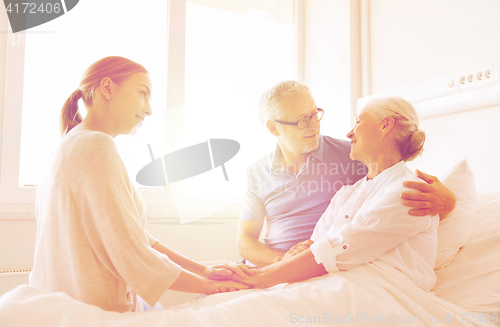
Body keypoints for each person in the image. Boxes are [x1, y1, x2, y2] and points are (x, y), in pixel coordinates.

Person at [29, 56, 252, 313]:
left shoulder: (69, 144)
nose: (149, 109)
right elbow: (128, 249)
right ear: (108, 88)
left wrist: (204, 270)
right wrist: (209, 285)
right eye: (142, 93)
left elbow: (131, 234)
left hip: (59, 304)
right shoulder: (95, 146)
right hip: (93, 310)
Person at [237, 81, 456, 267]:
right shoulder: (256, 172)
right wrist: (282, 260)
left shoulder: (353, 154)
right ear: (273, 128)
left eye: (315, 115)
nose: (313, 126)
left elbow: (398, 180)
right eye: (302, 121)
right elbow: (245, 240)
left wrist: (448, 202)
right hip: (277, 265)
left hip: (318, 266)